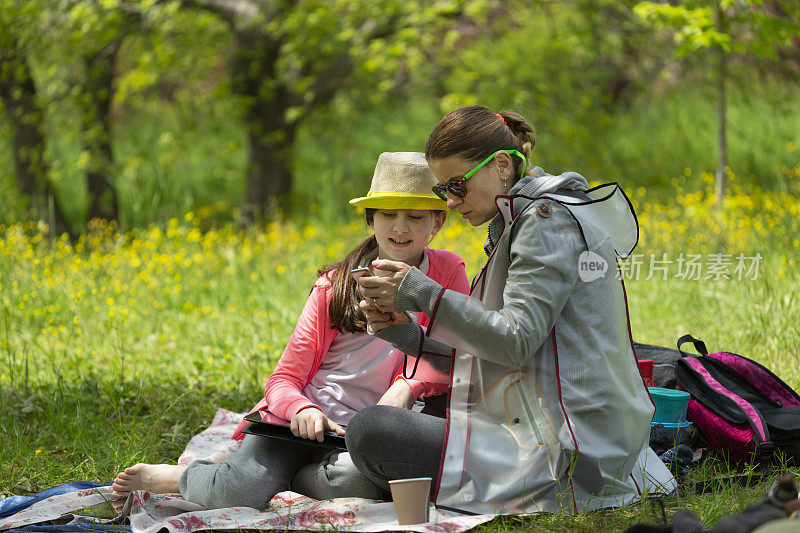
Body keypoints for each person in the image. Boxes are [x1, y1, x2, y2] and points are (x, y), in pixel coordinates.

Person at [349, 106, 676, 515]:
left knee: (371, 430)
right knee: (380, 429)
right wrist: (408, 337)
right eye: (441, 191)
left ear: (501, 165)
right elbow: (499, 353)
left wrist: (421, 292)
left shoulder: (546, 220)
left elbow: (515, 342)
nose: (450, 203)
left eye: (456, 186)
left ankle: (360, 478)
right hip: (536, 424)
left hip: (572, 451)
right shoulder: (522, 217)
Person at [110, 152, 470, 511]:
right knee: (235, 494)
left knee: (356, 483)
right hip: (296, 426)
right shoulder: (335, 286)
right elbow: (283, 378)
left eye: (415, 217)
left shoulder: (447, 272)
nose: (400, 227)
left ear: (437, 223)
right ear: (371, 220)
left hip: (360, 437)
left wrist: (409, 386)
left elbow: (456, 354)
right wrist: (301, 408)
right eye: (388, 215)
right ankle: (179, 477)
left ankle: (289, 480)